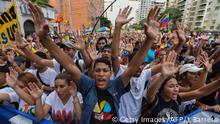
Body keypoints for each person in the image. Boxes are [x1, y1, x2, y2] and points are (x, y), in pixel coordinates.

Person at [27, 2, 160, 123]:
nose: (101, 74)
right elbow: (68, 64)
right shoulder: (87, 85)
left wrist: (149, 39)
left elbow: (133, 67)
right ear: (93, 73)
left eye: (105, 70)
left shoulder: (117, 85)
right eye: (97, 70)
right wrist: (44, 38)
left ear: (110, 73)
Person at [141, 51, 220, 123]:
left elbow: (200, 92)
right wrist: (163, 76)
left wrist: (217, 81)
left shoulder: (177, 99)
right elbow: (150, 93)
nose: (176, 89)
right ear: (162, 88)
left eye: (176, 86)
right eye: (171, 86)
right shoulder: (154, 100)